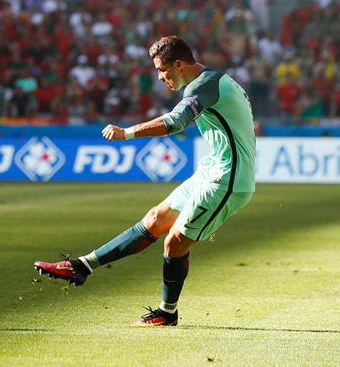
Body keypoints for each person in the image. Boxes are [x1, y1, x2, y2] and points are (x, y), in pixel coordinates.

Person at [34, 36, 256, 327]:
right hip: (210, 169)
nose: (161, 77)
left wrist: (126, 133)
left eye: (162, 70)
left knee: (174, 243)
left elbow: (175, 122)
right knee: (154, 219)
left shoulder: (204, 85)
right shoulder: (212, 81)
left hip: (227, 179)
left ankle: (167, 312)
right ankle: (82, 266)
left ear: (178, 64)